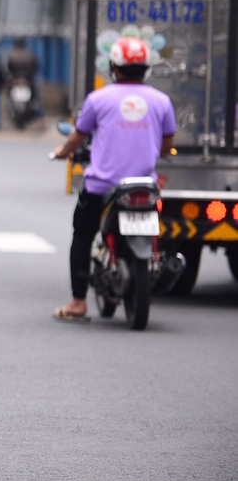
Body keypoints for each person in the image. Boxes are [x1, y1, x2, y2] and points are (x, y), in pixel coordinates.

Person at [50, 36, 176, 321]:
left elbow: (77, 138)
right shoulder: (162, 101)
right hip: (144, 186)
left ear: (114, 67)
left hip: (102, 188)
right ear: (146, 69)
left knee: (82, 236)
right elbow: (168, 145)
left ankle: (78, 303)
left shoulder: (98, 99)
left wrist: (62, 152)